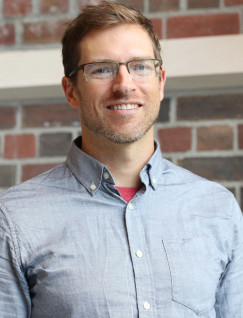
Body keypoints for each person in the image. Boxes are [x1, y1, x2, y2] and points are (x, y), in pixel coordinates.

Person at [0, 1, 242, 317]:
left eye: (140, 66)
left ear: (161, 82)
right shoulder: (15, 218)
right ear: (71, 91)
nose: (124, 85)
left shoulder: (217, 209)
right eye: (102, 69)